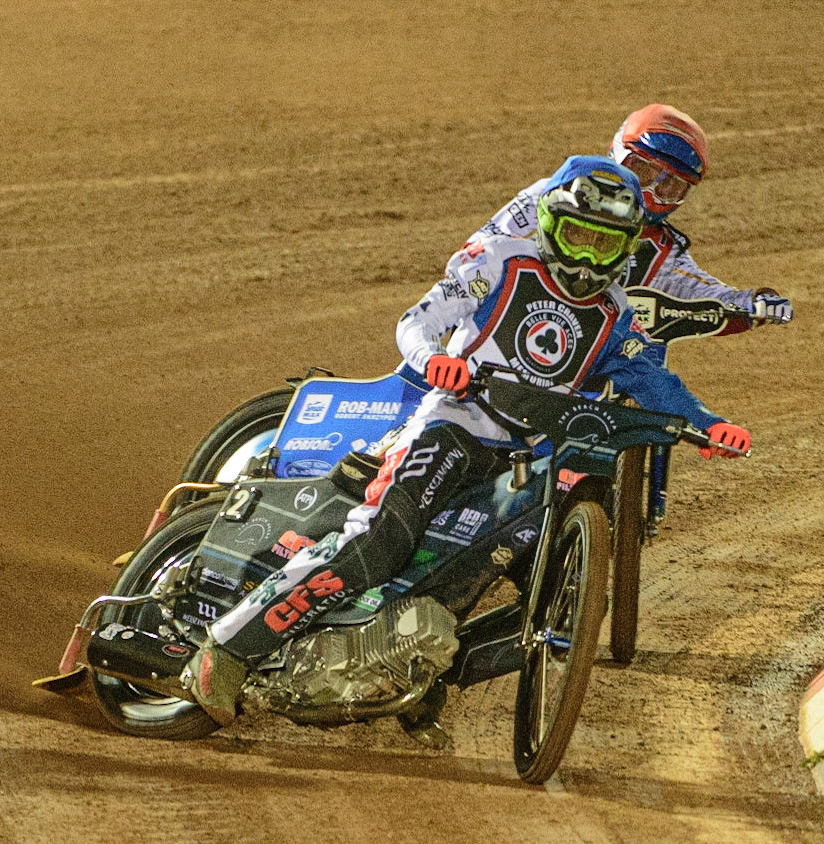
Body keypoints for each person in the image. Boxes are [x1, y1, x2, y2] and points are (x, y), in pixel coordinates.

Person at [185, 157, 750, 724]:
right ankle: (229, 649)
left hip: (527, 461)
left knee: (525, 584)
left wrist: (708, 424)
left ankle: (408, 671)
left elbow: (655, 382)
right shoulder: (498, 262)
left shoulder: (616, 315)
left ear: (625, 250)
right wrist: (434, 360)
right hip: (452, 426)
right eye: (577, 235)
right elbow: (418, 320)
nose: (585, 257)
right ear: (551, 224)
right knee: (382, 539)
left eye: (603, 246)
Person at [474, 104, 792, 365]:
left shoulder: (663, 254)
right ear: (617, 152)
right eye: (642, 171)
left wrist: (753, 303)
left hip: (595, 366)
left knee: (648, 356)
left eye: (669, 185)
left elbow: (702, 294)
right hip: (516, 336)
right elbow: (485, 246)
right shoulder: (556, 195)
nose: (651, 191)